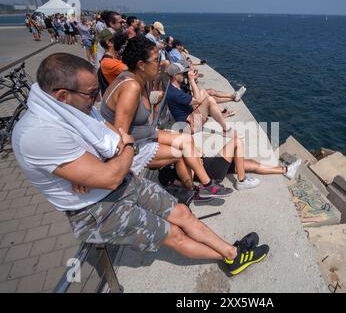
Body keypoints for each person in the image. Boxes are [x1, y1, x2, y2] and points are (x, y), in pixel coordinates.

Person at [12, 53, 269, 276]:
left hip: (122, 183)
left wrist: (115, 153)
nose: (97, 99)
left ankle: (230, 250)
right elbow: (112, 167)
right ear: (62, 95)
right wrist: (124, 149)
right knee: (174, 235)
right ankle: (233, 258)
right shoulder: (39, 133)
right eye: (92, 94)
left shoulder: (75, 109)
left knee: (182, 214)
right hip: (98, 209)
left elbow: (115, 144)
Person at [100, 36, 233, 198]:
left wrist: (162, 66)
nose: (160, 63)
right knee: (181, 151)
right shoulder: (131, 87)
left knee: (187, 140)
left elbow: (164, 68)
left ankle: (198, 189)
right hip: (129, 148)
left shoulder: (141, 78)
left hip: (144, 134)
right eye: (156, 60)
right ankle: (204, 186)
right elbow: (119, 134)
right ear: (141, 65)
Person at [160, 133, 304, 191]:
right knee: (237, 142)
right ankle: (241, 181)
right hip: (211, 170)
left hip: (210, 163)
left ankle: (285, 171)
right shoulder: (166, 171)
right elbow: (186, 181)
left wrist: (197, 153)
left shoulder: (174, 154)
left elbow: (197, 154)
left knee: (247, 163)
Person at [166, 63, 247, 134]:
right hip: (189, 126)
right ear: (174, 76)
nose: (184, 75)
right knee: (209, 100)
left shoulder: (175, 87)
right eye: (182, 73)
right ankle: (226, 130)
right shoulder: (174, 93)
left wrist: (194, 80)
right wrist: (192, 80)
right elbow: (197, 100)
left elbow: (195, 97)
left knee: (203, 92)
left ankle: (221, 112)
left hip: (190, 117)